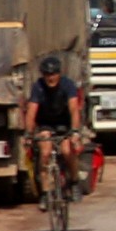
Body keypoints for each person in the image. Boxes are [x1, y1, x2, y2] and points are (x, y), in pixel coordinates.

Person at [26, 55, 84, 196]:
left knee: (66, 150)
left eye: (53, 74)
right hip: (45, 125)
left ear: (59, 74)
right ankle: (45, 193)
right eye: (46, 74)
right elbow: (31, 112)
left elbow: (74, 109)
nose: (50, 78)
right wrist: (28, 134)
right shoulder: (38, 87)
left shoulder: (68, 85)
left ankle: (75, 182)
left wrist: (75, 131)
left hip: (64, 124)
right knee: (45, 154)